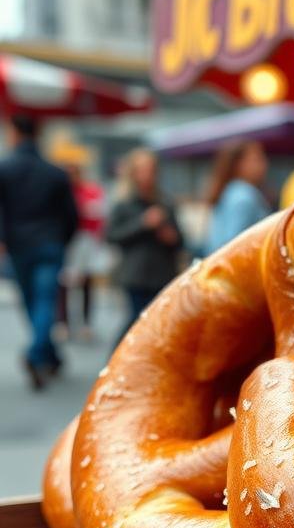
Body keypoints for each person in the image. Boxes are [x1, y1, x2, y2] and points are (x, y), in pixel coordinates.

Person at [0, 114, 79, 390]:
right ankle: (49, 355)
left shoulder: (5, 168)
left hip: (19, 246)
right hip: (50, 244)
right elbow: (72, 215)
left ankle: (35, 354)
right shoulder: (55, 172)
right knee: (44, 301)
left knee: (33, 302)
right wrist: (62, 241)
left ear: (14, 133)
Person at [105, 148, 182, 343]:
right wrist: (143, 224)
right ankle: (116, 360)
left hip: (163, 273)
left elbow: (180, 240)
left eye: (151, 169)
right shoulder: (124, 203)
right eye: (143, 169)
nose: (148, 174)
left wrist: (171, 237)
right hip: (135, 275)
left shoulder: (165, 202)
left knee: (157, 325)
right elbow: (112, 236)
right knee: (136, 322)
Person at [51, 141, 107, 343]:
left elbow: (98, 215)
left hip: (86, 241)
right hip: (68, 241)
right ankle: (63, 322)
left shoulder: (90, 191)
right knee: (64, 284)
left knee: (86, 283)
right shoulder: (60, 193)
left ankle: (85, 323)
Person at [202, 140, 270, 255]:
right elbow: (234, 247)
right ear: (238, 164)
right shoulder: (244, 195)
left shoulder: (230, 190)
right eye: (256, 159)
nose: (264, 164)